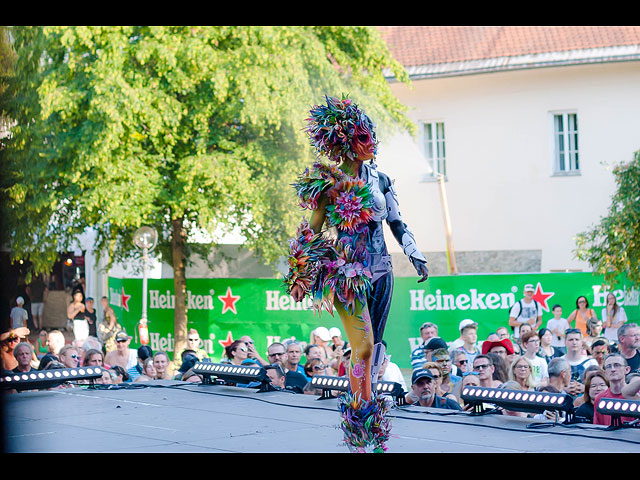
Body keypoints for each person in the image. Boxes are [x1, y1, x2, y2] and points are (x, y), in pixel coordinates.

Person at [285, 96, 428, 451]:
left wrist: (414, 252)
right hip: (348, 274)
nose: (372, 143)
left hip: (383, 272)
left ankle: (368, 433)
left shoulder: (380, 179)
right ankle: (358, 429)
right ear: (346, 141)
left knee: (375, 352)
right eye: (364, 137)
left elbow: (396, 221)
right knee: (361, 350)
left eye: (373, 136)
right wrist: (299, 271)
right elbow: (312, 230)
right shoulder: (327, 183)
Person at [593, 353, 635, 426]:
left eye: (617, 365)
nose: (613, 369)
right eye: (609, 366)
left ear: (627, 369)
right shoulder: (600, 399)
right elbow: (598, 428)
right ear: (604, 372)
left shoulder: (636, 396)